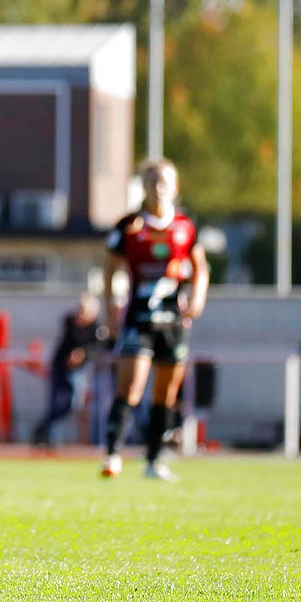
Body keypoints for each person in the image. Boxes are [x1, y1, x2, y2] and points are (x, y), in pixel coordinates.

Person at [100, 159, 209, 482]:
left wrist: (199, 297)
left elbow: (200, 266)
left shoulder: (186, 226)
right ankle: (113, 453)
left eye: (164, 181)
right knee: (130, 388)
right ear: (143, 186)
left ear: (175, 187)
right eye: (152, 181)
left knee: (166, 393)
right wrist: (110, 308)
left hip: (173, 321)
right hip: (139, 317)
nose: (158, 187)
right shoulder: (129, 226)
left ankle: (154, 459)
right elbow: (110, 268)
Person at [31, 295, 110, 450]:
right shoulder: (70, 321)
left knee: (73, 403)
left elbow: (96, 349)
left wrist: (82, 353)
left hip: (76, 372)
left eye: (84, 310)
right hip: (59, 367)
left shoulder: (98, 329)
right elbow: (72, 335)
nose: (80, 313)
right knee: (55, 402)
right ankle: (48, 437)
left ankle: (43, 429)